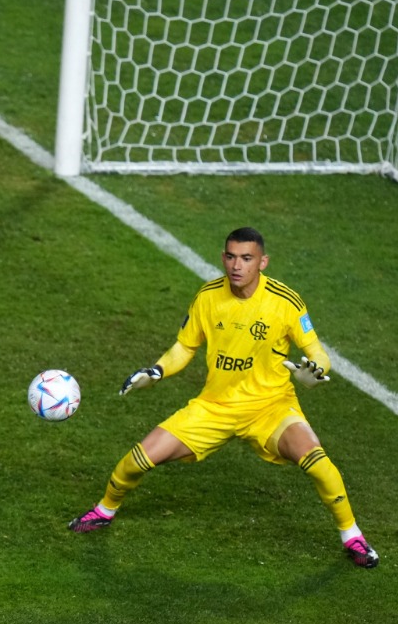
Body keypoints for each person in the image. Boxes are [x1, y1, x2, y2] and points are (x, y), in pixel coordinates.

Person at [70, 227, 379, 568]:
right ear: (223, 257)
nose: (237, 265)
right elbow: (185, 346)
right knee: (138, 459)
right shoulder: (207, 297)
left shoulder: (285, 301)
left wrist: (315, 371)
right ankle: (104, 510)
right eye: (231, 256)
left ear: (262, 262)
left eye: (246, 258)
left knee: (319, 463)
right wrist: (157, 371)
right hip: (214, 407)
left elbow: (316, 350)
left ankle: (352, 537)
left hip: (270, 407)